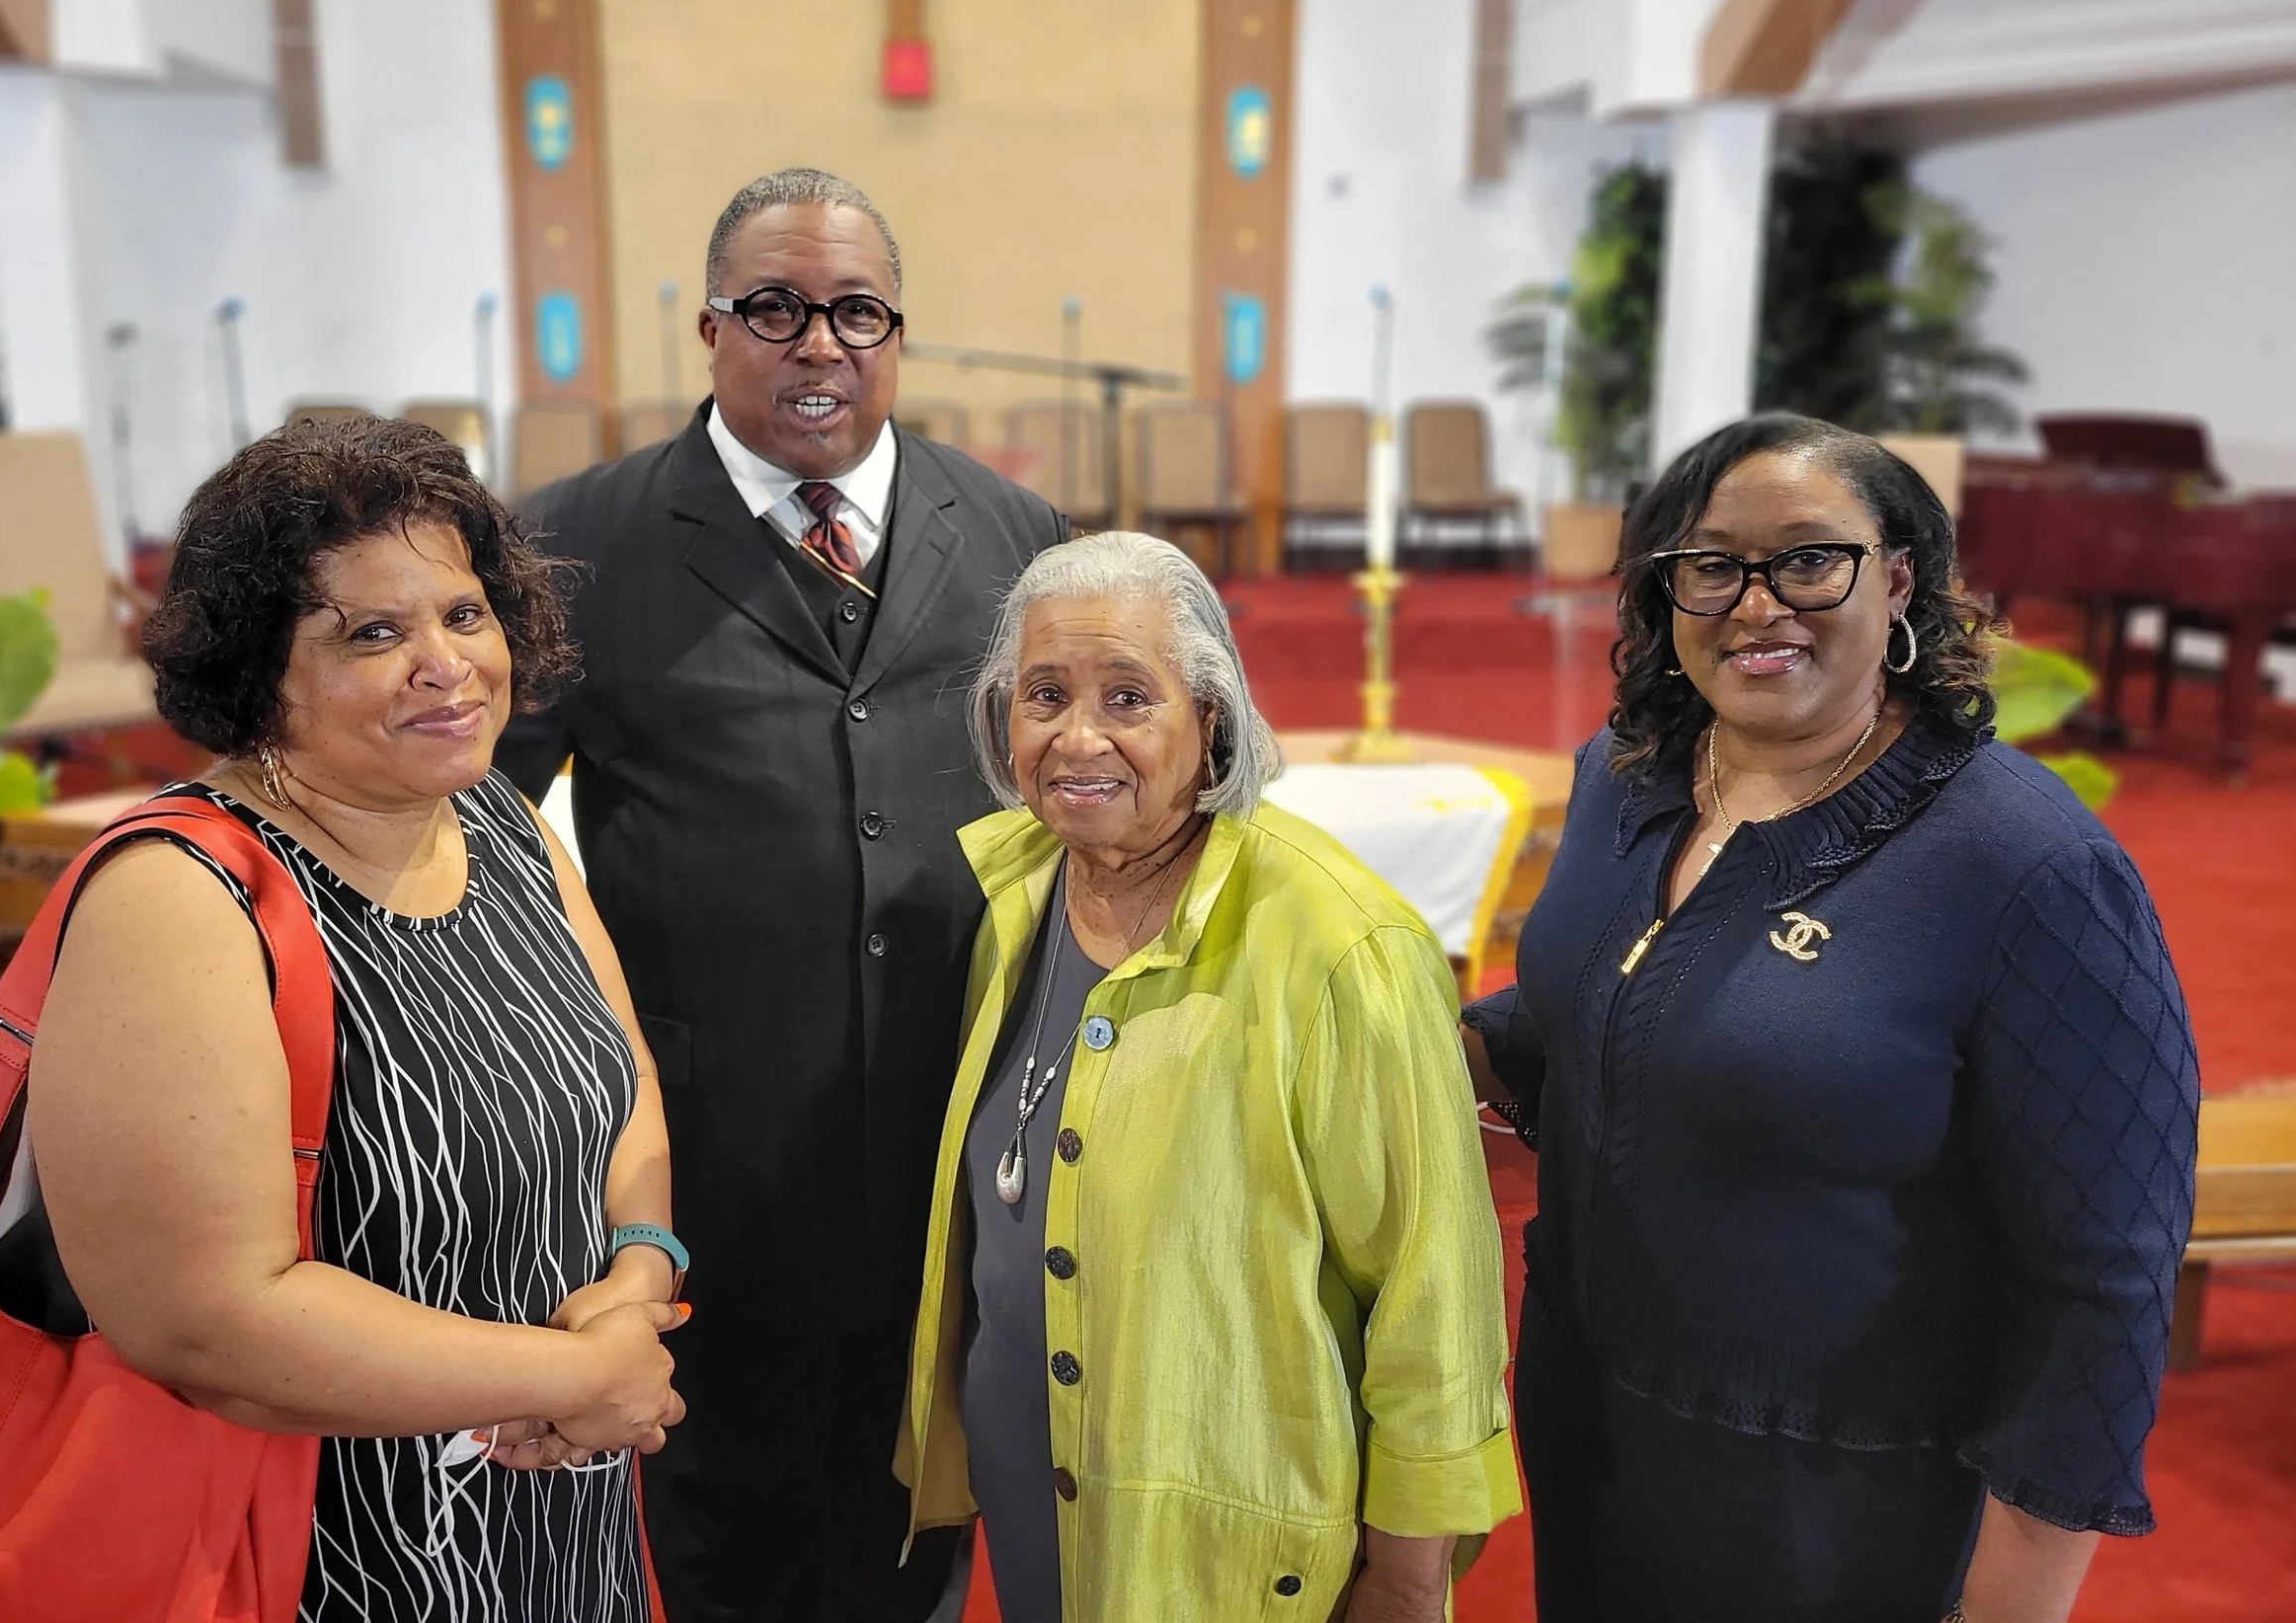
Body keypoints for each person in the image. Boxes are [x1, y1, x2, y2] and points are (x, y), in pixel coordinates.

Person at [1463, 414, 2199, 1623]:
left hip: (1837, 1490)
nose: (1758, 604)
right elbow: (1612, 1004)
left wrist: (2014, 1602)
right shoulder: (1630, 771)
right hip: (1591, 1416)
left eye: (1808, 559)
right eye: (1712, 566)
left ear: (1898, 575)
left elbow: (2103, 1274)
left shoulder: (2024, 866)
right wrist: (1418, 1054)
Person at [497, 168, 1069, 1620]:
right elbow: (478, 828)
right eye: (775, 307)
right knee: (735, 1521)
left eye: (856, 311)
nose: (819, 343)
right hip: (710, 1150)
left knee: (937, 1499)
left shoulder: (1016, 532)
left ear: (897, 334)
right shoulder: (574, 540)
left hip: (968, 1128)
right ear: (710, 328)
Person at [20, 418, 680, 1618]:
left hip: (556, 1529)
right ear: (257, 669)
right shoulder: (181, 894)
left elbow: (620, 1086)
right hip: (315, 1554)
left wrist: (641, 1271)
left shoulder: (501, 824)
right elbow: (211, 1322)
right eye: (374, 633)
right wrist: (579, 1370)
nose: (447, 665)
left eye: (463, 615)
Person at [898, 531, 1521, 1623]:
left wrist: (1410, 1579)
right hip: (1034, 1496)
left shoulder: (1337, 944)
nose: (1077, 736)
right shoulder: (1011, 896)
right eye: (1044, 693)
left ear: (1213, 719)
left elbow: (1435, 1299)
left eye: (1129, 697)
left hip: (1231, 1541)